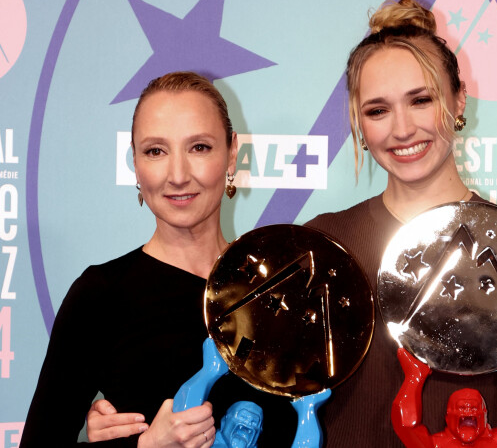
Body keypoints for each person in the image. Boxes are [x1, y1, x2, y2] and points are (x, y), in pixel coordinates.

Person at [305, 0, 497, 447]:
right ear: (358, 121)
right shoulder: (324, 241)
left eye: (421, 100)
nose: (402, 129)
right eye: (378, 110)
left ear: (459, 99)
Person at [21, 71, 296, 447]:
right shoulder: (101, 295)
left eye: (199, 147)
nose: (178, 175)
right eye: (156, 151)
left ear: (232, 153)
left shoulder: (281, 288)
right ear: (135, 161)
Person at [392, 344, 497, 446]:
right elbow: (406, 427)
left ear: (485, 415)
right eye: (460, 407)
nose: (468, 410)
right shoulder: (437, 445)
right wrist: (414, 377)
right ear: (447, 418)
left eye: (474, 407)